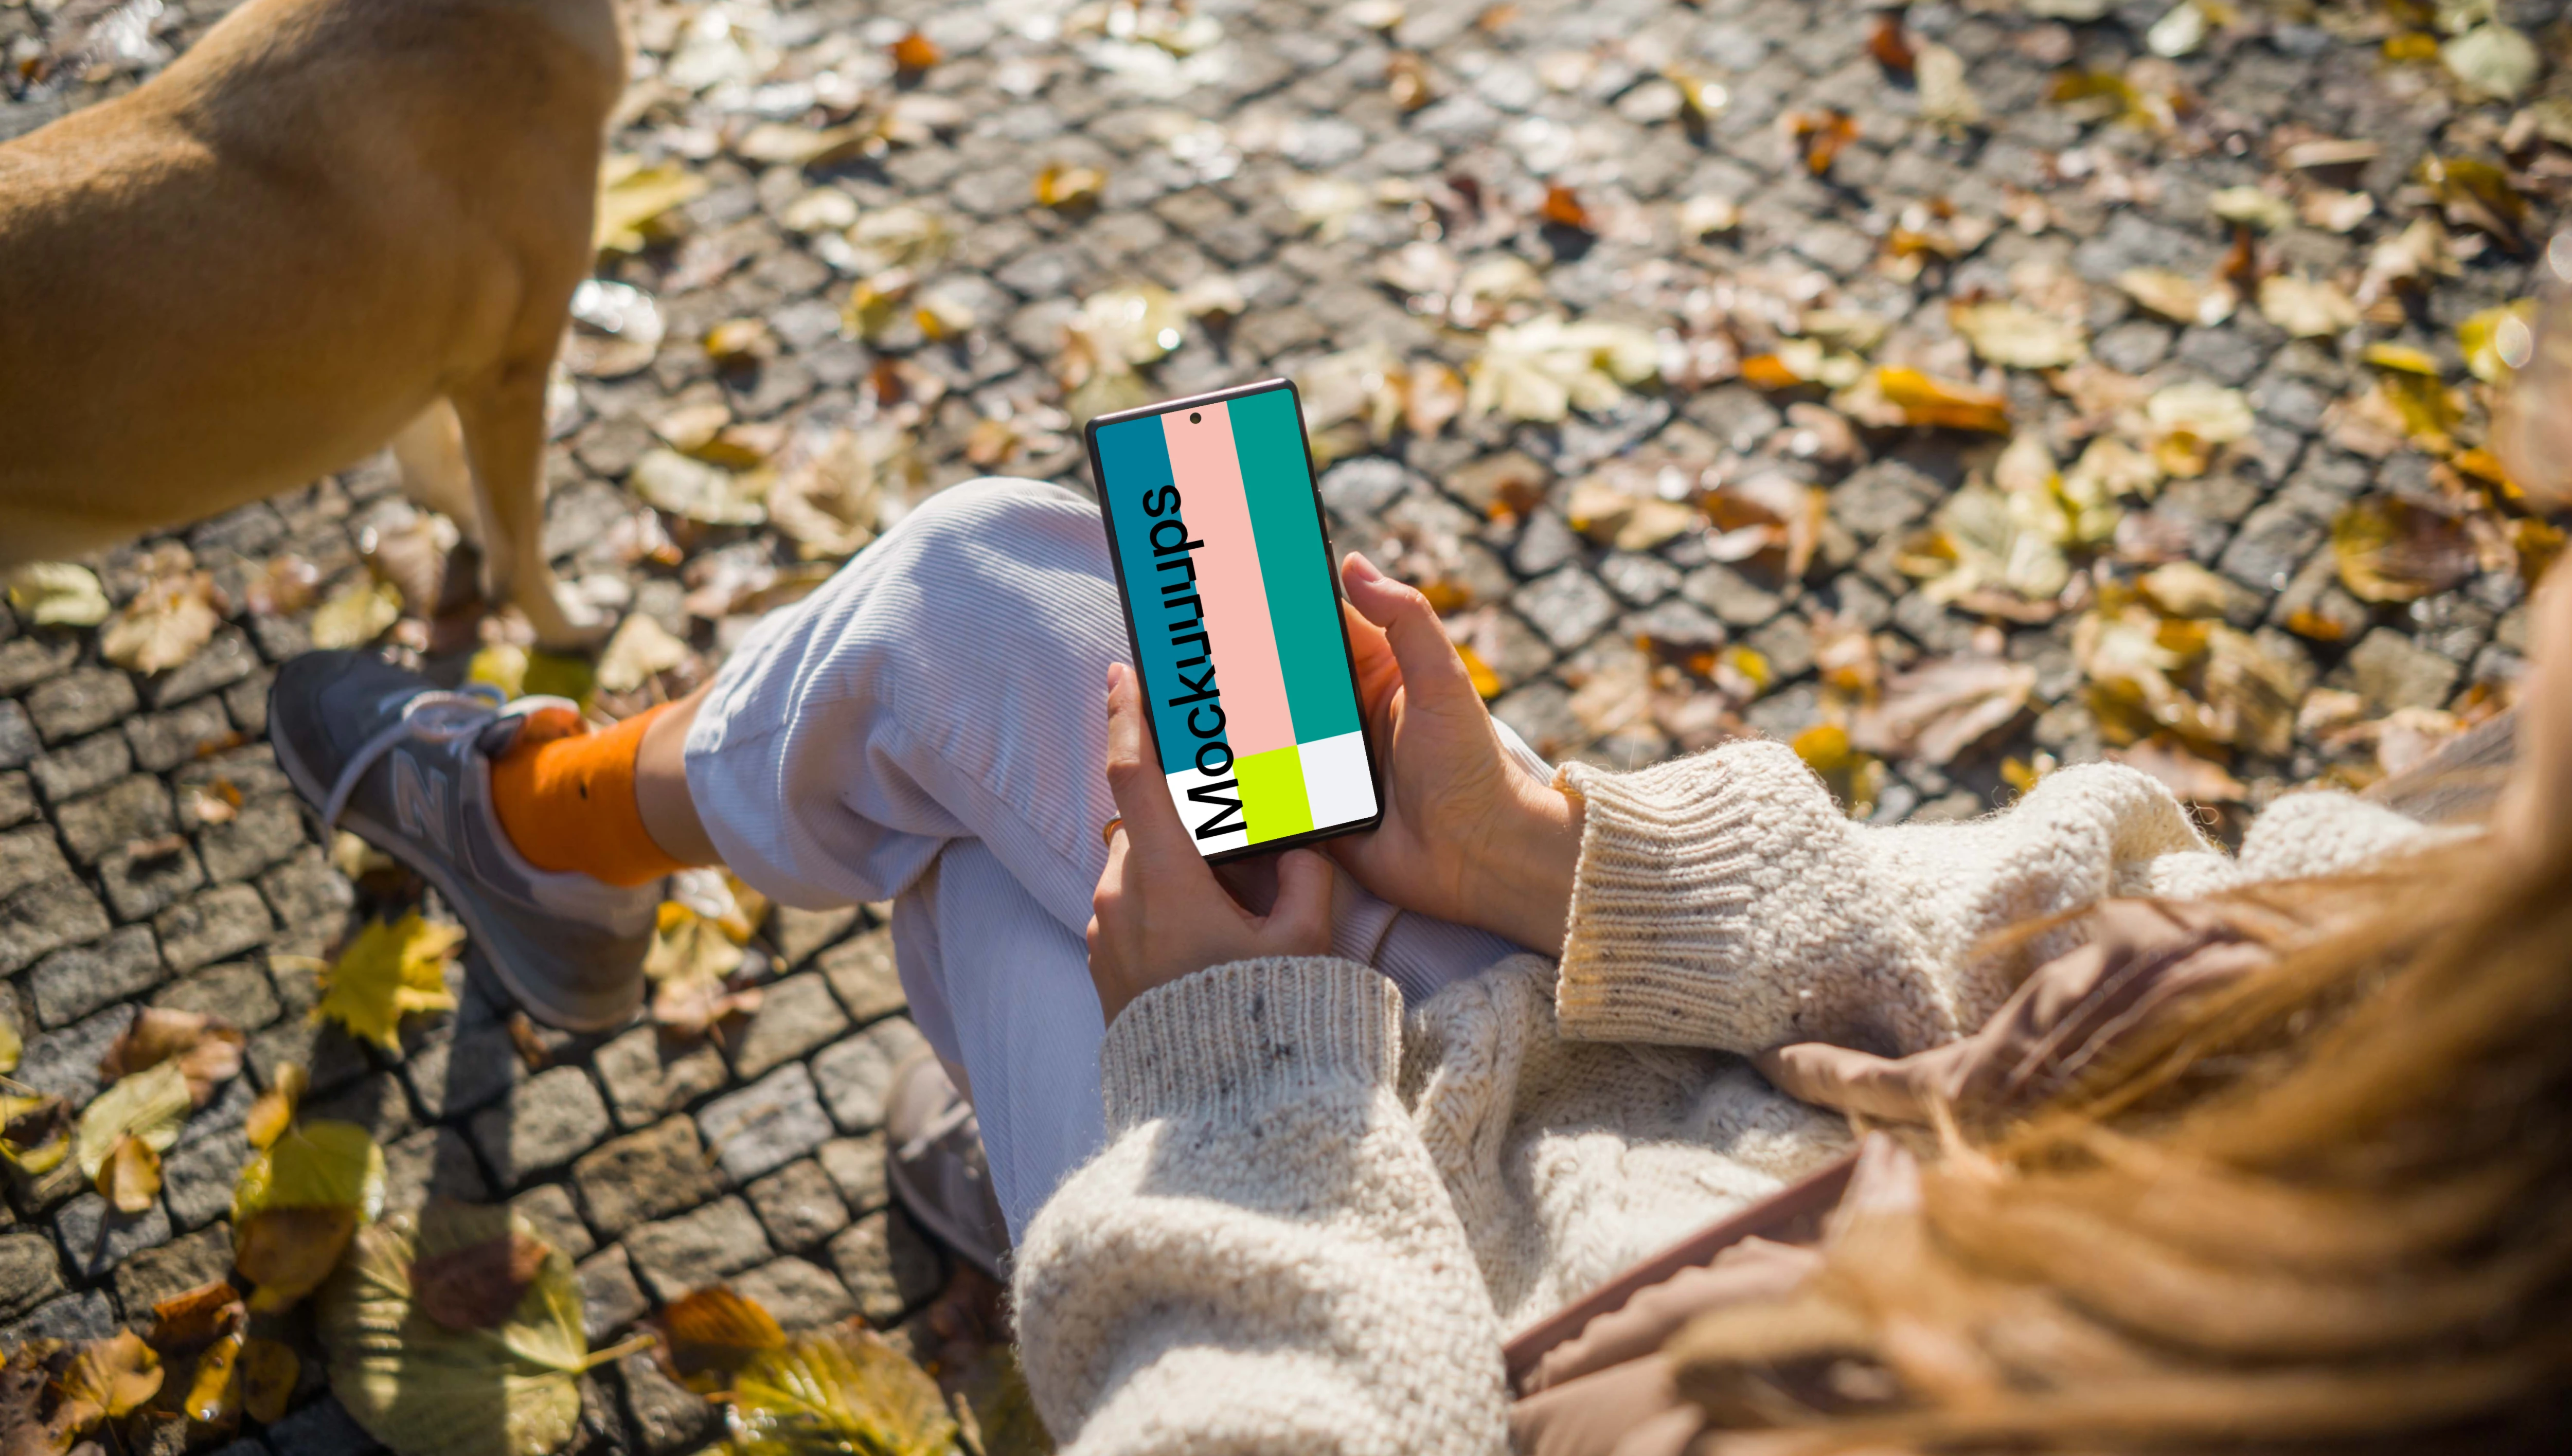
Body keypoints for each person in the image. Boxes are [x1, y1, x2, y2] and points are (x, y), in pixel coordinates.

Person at [270, 465, 2567, 1454]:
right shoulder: (2460, 949)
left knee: (990, 836)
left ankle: (547, 833)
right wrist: (1547, 847)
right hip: (1619, 1056)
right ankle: (625, 881)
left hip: (1416, 1264)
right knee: (1007, 652)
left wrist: (1233, 1080)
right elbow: (2040, 923)